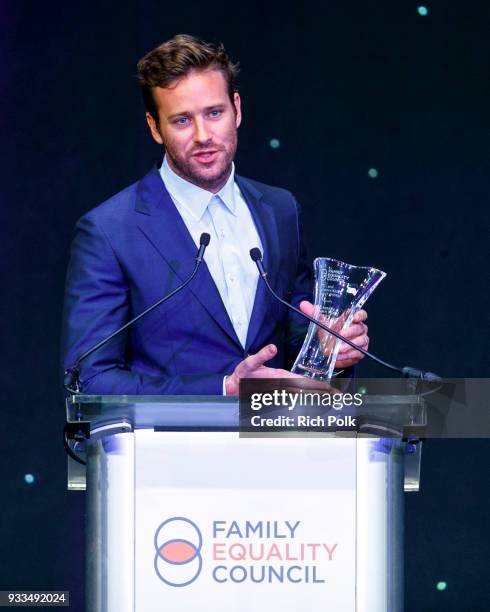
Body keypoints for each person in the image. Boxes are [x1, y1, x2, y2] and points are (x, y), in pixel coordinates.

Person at [61, 34, 369, 395]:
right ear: (154, 127)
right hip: (166, 449)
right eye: (181, 121)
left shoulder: (280, 210)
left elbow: (293, 337)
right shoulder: (111, 231)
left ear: (236, 109)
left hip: (274, 443)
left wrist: (329, 350)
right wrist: (222, 388)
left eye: (214, 113)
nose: (203, 135)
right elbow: (89, 379)